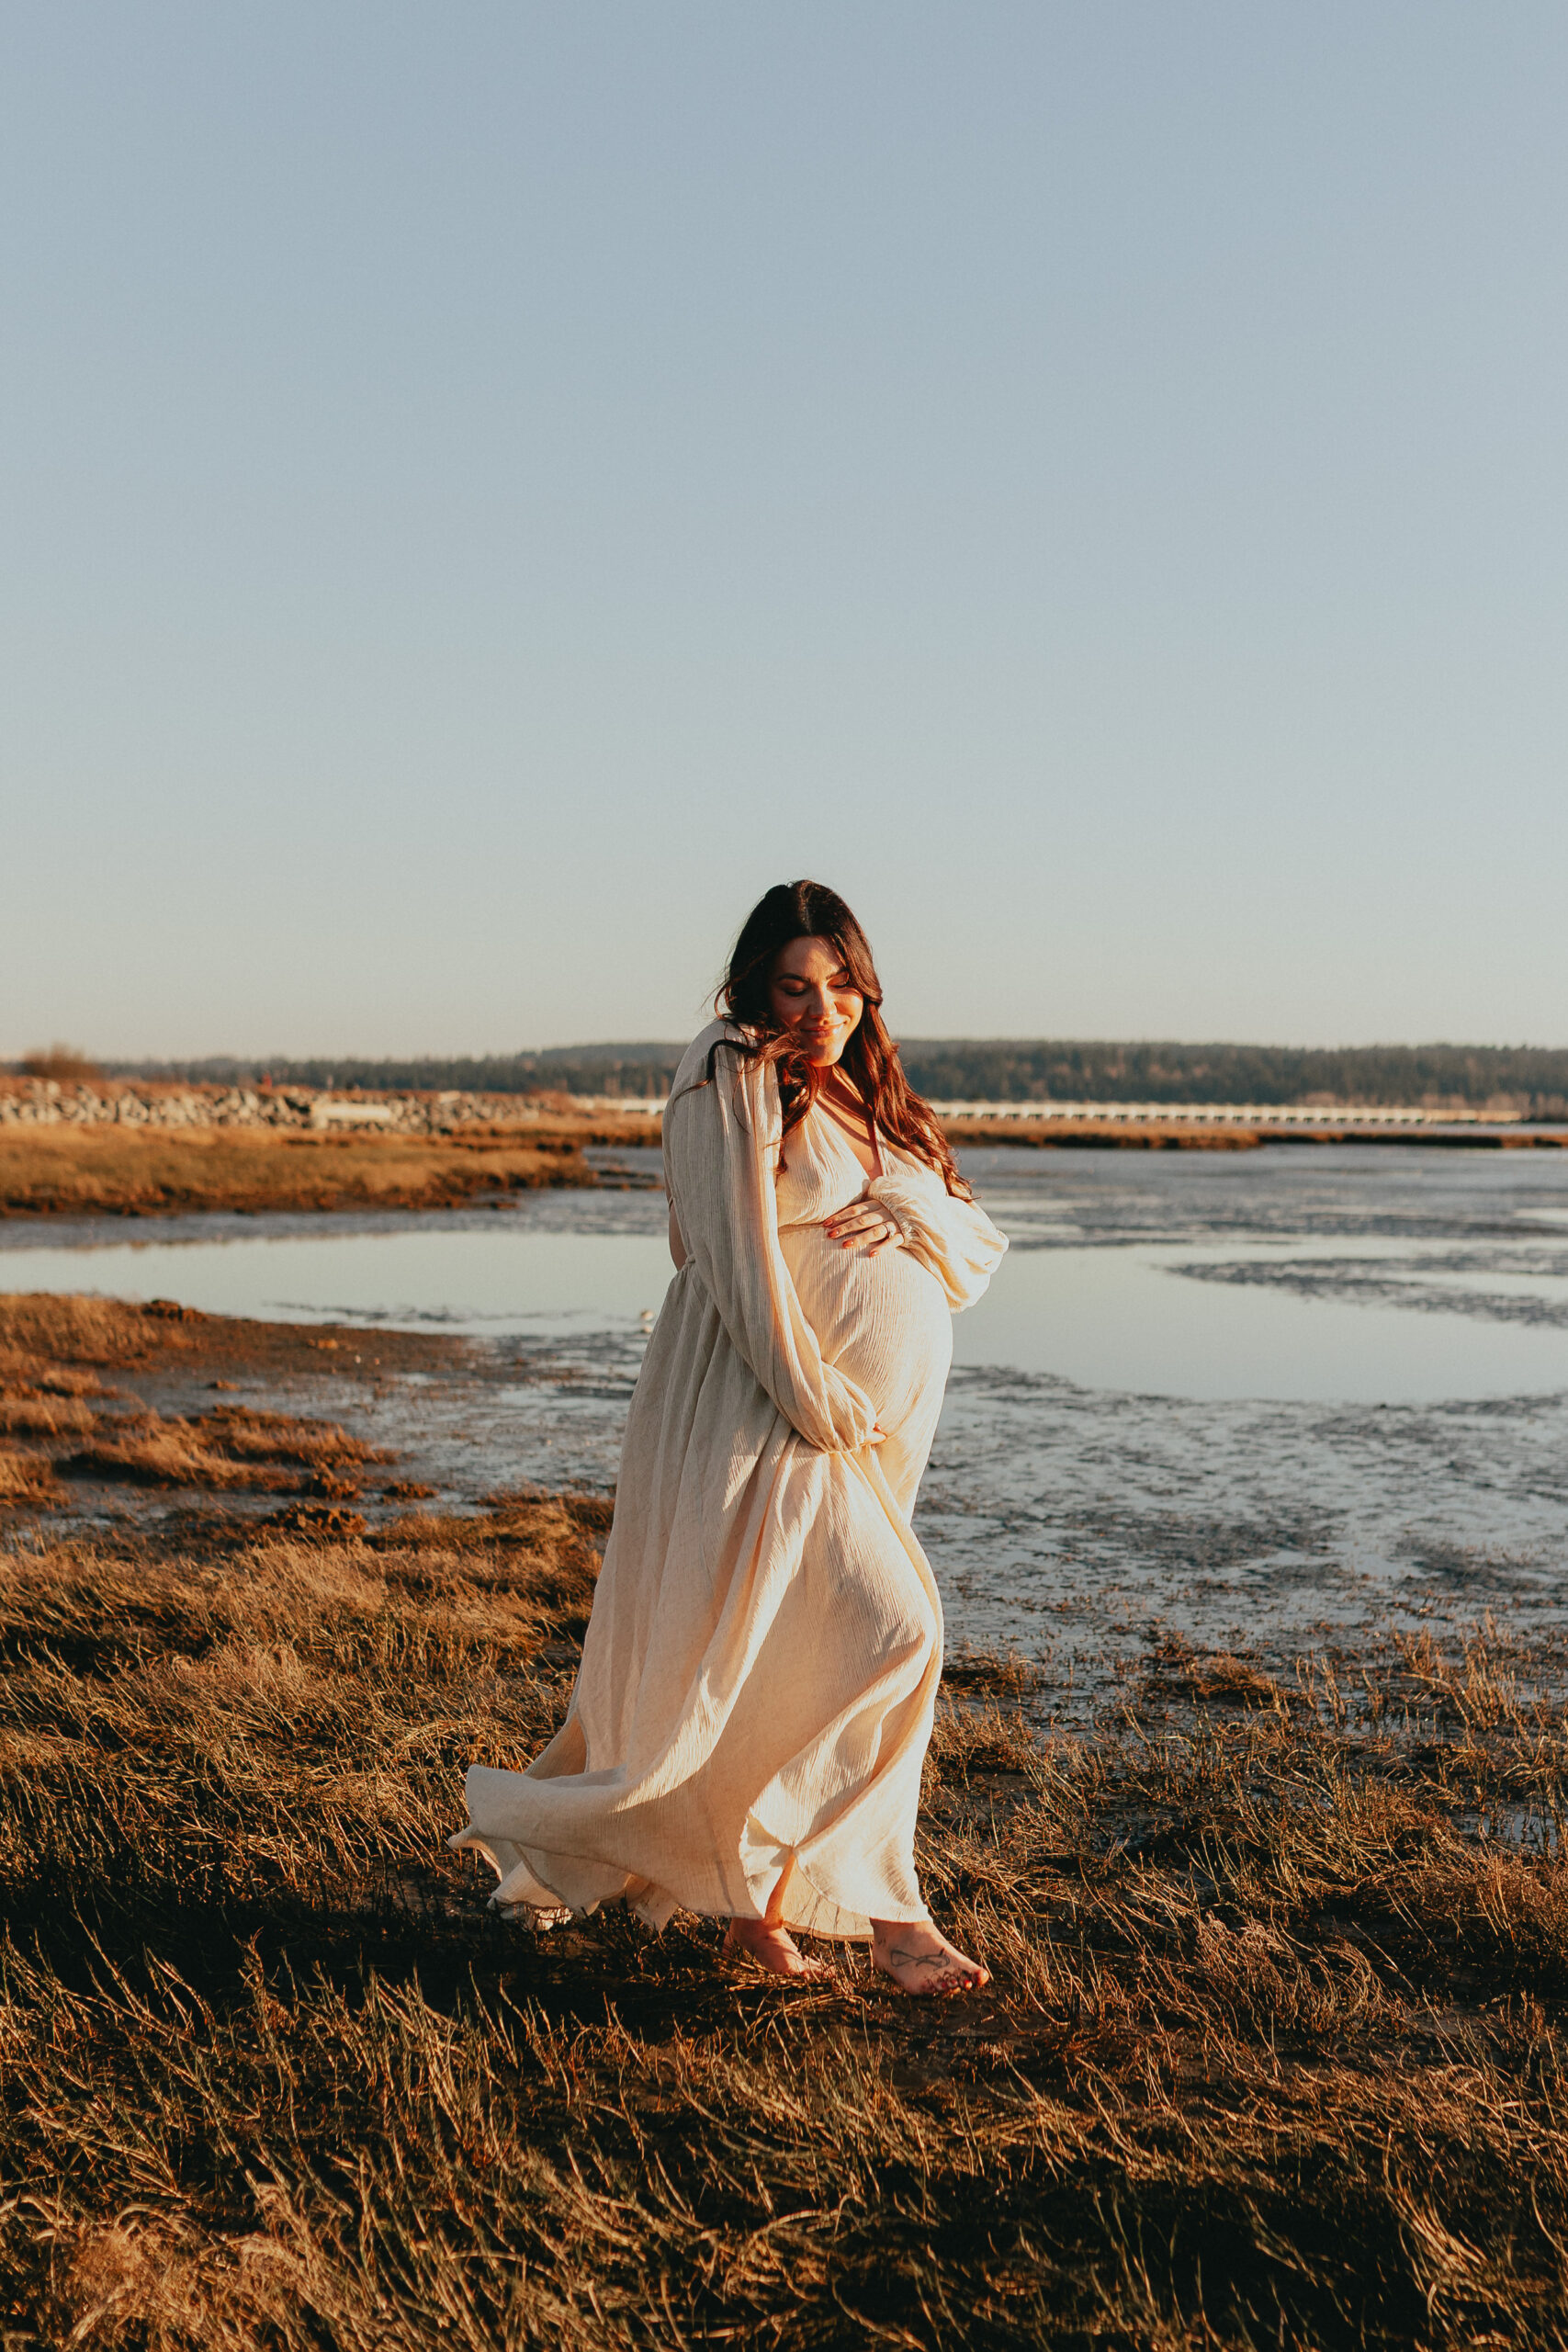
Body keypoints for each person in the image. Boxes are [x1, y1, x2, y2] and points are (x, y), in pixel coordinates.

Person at [451, 880, 1008, 1992]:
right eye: (796, 987)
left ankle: (751, 1905)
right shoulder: (727, 1074)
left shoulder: (869, 1097)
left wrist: (907, 1212)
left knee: (774, 1657)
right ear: (754, 987)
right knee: (898, 1633)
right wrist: (819, 1401)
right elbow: (734, 1267)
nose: (822, 1009)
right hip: (760, 1408)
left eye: (842, 985)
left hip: (853, 1434)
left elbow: (979, 1247)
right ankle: (893, 1919)